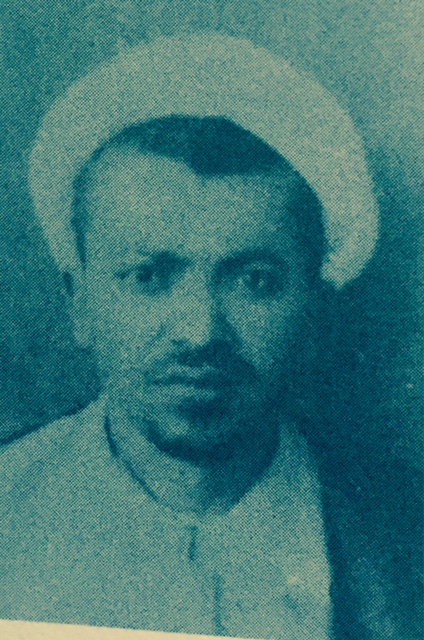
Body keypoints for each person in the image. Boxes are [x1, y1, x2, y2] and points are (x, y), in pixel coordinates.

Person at [0, 33, 402, 639]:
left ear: (314, 309)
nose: (200, 331)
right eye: (150, 277)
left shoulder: (398, 539)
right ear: (78, 302)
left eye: (254, 281)